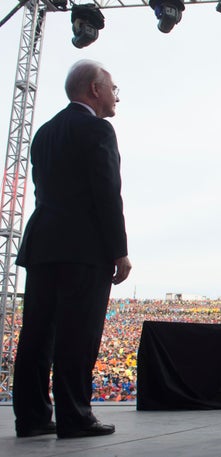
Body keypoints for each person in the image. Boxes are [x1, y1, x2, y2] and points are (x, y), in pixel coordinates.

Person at [13, 60, 132, 439]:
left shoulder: (45, 133)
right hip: (84, 249)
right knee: (77, 336)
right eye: (113, 88)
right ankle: (75, 415)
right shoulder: (98, 129)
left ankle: (31, 417)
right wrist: (119, 250)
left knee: (36, 335)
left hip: (44, 243)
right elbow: (106, 195)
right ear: (94, 90)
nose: (116, 96)